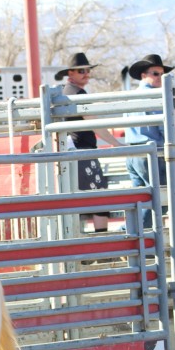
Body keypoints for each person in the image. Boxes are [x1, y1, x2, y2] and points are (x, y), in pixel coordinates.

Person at [55, 52, 123, 233]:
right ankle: (102, 246)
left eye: (87, 70)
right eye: (81, 71)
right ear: (70, 73)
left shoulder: (64, 91)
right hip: (82, 152)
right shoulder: (77, 93)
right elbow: (94, 124)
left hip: (72, 151)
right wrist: (116, 143)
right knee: (100, 198)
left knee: (79, 201)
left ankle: (83, 246)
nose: (86, 73)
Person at [124, 53, 173, 229]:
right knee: (160, 199)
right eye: (156, 73)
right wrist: (174, 144)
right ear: (144, 75)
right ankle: (129, 232)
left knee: (140, 199)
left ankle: (132, 238)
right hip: (151, 152)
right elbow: (163, 125)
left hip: (132, 152)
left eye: (162, 74)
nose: (160, 78)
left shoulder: (131, 96)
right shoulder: (155, 96)